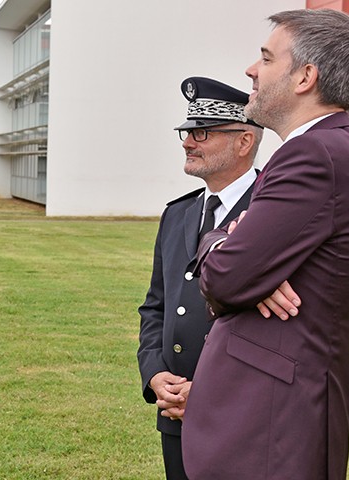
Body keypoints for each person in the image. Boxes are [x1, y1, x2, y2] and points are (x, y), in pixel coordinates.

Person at [182, 9, 349, 480]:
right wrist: (239, 247)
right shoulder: (320, 151)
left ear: (305, 76)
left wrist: (224, 243)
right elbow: (241, 269)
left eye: (267, 58)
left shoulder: (315, 155)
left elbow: (226, 278)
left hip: (270, 424)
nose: (251, 69)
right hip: (267, 418)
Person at [137, 76, 263, 480]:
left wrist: (208, 392)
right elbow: (156, 305)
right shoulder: (178, 214)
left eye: (202, 133)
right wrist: (155, 373)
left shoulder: (270, 210)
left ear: (244, 141)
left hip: (242, 413)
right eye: (187, 132)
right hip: (175, 411)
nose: (188, 142)